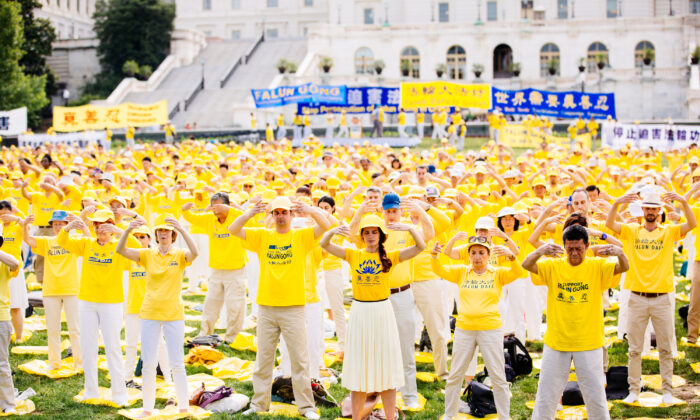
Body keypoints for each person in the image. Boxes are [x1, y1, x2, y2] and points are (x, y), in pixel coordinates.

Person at [229, 196, 329, 419]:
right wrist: (250, 213)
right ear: (272, 216)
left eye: (284, 212)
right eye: (276, 212)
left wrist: (310, 209)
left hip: (293, 307)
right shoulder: (263, 236)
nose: (280, 216)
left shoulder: (301, 236)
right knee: (263, 359)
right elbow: (233, 228)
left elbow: (326, 225)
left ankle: (307, 407)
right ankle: (259, 404)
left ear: (291, 215)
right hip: (266, 307)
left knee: (300, 361)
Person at [320, 215, 426, 420]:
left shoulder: (391, 256)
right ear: (362, 235)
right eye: (366, 232)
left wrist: (409, 229)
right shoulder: (353, 254)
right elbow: (324, 244)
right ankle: (357, 418)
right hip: (360, 313)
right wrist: (333, 231)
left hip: (382, 312)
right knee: (358, 369)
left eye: (374, 232)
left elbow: (420, 247)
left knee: (387, 369)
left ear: (381, 235)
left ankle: (389, 417)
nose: (370, 236)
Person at [522, 225, 629, 420]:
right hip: (557, 341)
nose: (574, 253)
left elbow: (624, 267)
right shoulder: (553, 265)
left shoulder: (596, 265)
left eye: (578, 249)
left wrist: (620, 253)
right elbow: (527, 265)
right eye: (569, 248)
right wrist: (541, 250)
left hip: (588, 342)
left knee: (595, 396)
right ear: (563, 246)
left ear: (587, 246)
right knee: (546, 396)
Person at [606, 191, 696, 405]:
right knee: (635, 349)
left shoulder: (668, 232)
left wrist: (683, 202)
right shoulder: (632, 230)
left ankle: (667, 391)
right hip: (637, 297)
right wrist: (617, 202)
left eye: (654, 208)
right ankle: (634, 390)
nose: (650, 212)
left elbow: (691, 224)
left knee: (665, 348)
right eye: (647, 208)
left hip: (662, 298)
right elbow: (610, 224)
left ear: (659, 211)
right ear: (642, 210)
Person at [431, 236, 522, 420]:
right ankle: (449, 415)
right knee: (456, 374)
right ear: (469, 255)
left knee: (497, 375)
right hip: (465, 330)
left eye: (481, 252)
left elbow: (517, 272)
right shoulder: (461, 271)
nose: (477, 257)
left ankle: (504, 416)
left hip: (490, 330)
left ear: (488, 255)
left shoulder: (497, 273)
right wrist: (434, 256)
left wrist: (512, 257)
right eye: (473, 253)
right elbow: (439, 269)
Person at [117, 215, 198, 418]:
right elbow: (121, 250)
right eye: (160, 232)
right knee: (149, 363)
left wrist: (181, 228)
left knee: (177, 363)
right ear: (156, 236)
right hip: (150, 313)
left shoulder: (180, 255)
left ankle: (183, 406)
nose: (163, 234)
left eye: (167, 232)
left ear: (172, 236)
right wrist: (127, 230)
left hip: (174, 314)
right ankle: (147, 408)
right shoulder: (147, 254)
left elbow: (195, 252)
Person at [57, 209, 131, 406]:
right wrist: (68, 229)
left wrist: (118, 230)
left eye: (103, 225)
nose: (99, 229)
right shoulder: (86, 244)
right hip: (87, 302)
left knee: (113, 347)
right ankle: (91, 390)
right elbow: (63, 242)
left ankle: (119, 393)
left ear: (110, 226)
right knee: (88, 347)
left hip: (111, 303)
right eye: (96, 225)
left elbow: (137, 246)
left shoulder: (119, 246)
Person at [182, 192, 249, 342]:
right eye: (213, 205)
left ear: (227, 205)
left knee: (235, 306)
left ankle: (232, 337)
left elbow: (246, 217)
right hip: (216, 269)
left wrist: (230, 208)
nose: (215, 208)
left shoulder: (236, 216)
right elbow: (192, 218)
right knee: (210, 304)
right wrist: (185, 210)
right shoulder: (209, 218)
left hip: (235, 268)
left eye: (218, 204)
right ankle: (205, 333)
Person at [23, 211, 82, 371]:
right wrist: (24, 225)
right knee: (52, 329)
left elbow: (88, 238)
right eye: (55, 224)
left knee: (75, 328)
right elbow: (28, 240)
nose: (57, 227)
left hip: (71, 288)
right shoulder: (47, 241)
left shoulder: (74, 241)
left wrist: (79, 220)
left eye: (60, 224)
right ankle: (54, 363)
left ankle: (79, 363)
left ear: (66, 225)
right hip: (51, 289)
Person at [121, 225, 171, 386]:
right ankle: (127, 378)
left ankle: (168, 377)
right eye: (136, 237)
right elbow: (120, 249)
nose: (139, 240)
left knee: (159, 344)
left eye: (143, 237)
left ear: (150, 239)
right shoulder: (129, 259)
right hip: (133, 307)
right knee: (131, 343)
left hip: (153, 307)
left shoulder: (155, 257)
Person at [0, 201, 27, 341]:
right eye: (1, 212)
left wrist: (16, 217)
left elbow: (26, 224)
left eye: (6, 212)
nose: (4, 215)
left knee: (15, 305)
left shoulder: (16, 226)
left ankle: (18, 337)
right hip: (0, 268)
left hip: (14, 267)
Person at [0, 228, 19, 414]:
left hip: (1, 316)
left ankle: (7, 403)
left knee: (1, 363)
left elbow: (14, 264)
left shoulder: (5, 260)